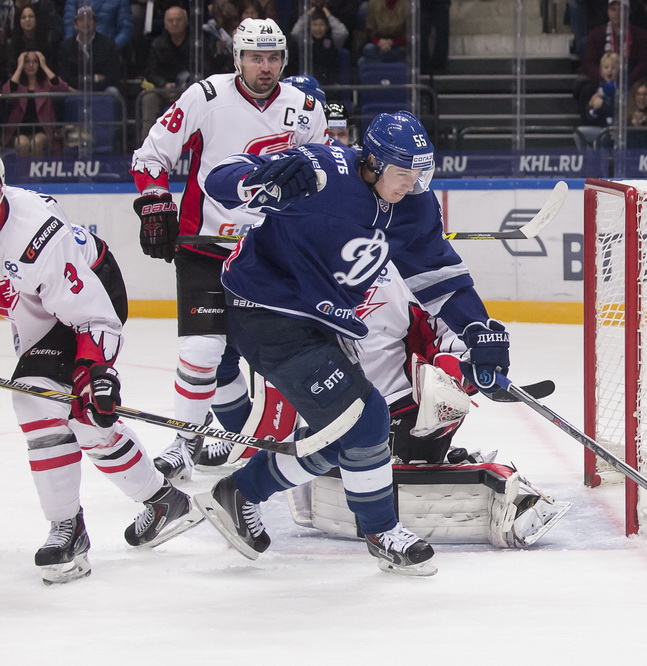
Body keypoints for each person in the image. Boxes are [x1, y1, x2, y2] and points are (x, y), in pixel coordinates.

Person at [193, 111, 511, 576]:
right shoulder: (322, 172)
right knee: (368, 418)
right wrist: (257, 180)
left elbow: (440, 277)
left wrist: (478, 331)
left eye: (421, 174)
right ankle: (381, 531)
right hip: (265, 310)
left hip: (323, 323)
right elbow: (219, 179)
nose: (411, 184)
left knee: (347, 433)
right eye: (403, 173)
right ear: (374, 163)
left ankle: (241, 490)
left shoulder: (416, 207)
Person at [129, 18, 328, 482]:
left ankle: (276, 434)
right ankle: (186, 438)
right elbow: (151, 155)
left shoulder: (304, 108)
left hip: (271, 253)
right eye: (256, 57)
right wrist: (156, 204)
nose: (265, 67)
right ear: (237, 58)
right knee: (201, 348)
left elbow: (325, 173)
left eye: (274, 57)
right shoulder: (206, 97)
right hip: (207, 248)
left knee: (277, 352)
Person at [0, 158, 203, 585]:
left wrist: (95, 374)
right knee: (83, 424)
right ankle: (164, 502)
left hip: (91, 298)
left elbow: (93, 317)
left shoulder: (33, 236)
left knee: (47, 402)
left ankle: (68, 531)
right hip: (37, 314)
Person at [285, 261, 569, 549]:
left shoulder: (407, 276)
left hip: (399, 412)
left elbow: (450, 341)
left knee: (438, 400)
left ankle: (408, 465)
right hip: (328, 409)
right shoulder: (306, 262)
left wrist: (459, 374)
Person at [139, 5, 197, 142]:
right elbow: (151, 71)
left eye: (178, 20)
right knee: (149, 98)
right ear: (165, 24)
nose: (175, 23)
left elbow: (204, 69)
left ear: (186, 22)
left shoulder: (197, 43)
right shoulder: (157, 44)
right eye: (171, 20)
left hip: (190, 89)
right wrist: (164, 84)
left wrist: (186, 87)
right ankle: (145, 146)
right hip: (164, 89)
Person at [2, 49, 69, 156]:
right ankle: (23, 173)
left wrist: (44, 65)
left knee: (36, 142)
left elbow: (62, 88)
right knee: (22, 144)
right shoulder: (17, 84)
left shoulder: (45, 84)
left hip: (43, 130)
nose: (31, 65)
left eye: (35, 61)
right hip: (19, 131)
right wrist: (19, 67)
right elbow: (6, 93)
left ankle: (37, 172)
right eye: (27, 62)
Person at [582, 0, 647, 87]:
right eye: (613, 9)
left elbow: (645, 62)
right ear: (608, 12)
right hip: (602, 80)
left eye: (621, 9)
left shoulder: (641, 35)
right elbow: (589, 63)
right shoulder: (595, 34)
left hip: (633, 81)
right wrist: (604, 78)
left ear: (628, 11)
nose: (617, 13)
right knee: (587, 90)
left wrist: (627, 80)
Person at [55, 6, 123, 92]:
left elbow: (113, 76)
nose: (86, 23)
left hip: (101, 89)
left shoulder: (108, 44)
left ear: (95, 23)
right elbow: (65, 77)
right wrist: (94, 78)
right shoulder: (65, 46)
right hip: (74, 90)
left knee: (113, 91)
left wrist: (91, 88)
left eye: (89, 19)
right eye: (81, 19)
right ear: (75, 25)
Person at [61, 0, 132, 52]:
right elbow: (69, 24)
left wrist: (112, 49)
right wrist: (71, 48)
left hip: (108, 53)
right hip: (78, 51)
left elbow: (126, 29)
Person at [358, 0, 407, 64]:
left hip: (399, 46)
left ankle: (372, 63)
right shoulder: (374, 3)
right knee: (368, 49)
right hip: (378, 44)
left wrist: (392, 42)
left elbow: (409, 35)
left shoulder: (407, 4)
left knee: (363, 61)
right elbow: (370, 31)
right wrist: (379, 42)